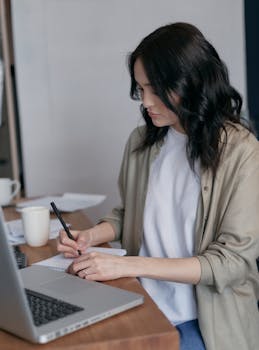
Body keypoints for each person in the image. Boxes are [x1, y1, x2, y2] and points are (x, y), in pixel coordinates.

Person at [57, 23, 259, 350]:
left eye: (155, 89)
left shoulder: (242, 152)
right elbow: (131, 213)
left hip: (204, 321)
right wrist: (92, 236)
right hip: (143, 302)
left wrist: (125, 265)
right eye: (140, 89)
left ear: (190, 83)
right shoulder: (142, 142)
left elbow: (232, 263)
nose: (146, 102)